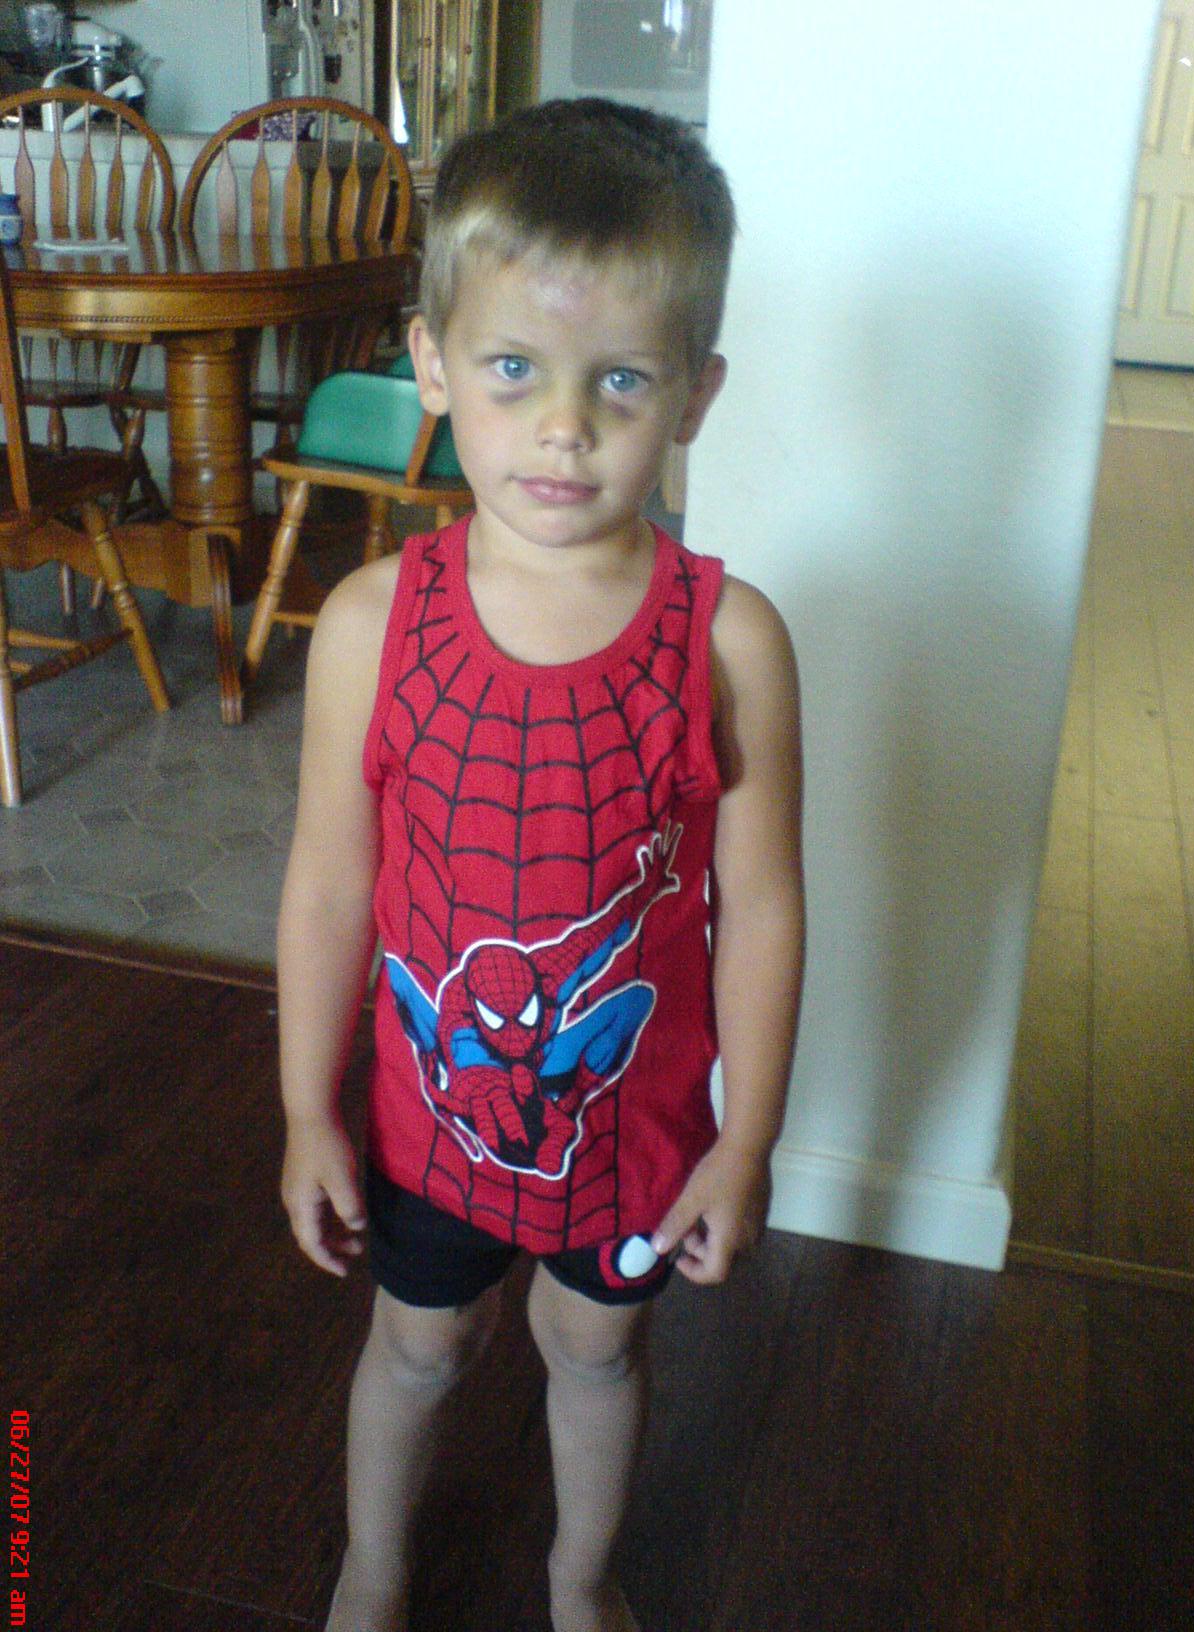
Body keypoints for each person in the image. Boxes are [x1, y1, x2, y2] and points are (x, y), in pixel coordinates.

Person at [276, 97, 805, 1632]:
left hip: (632, 1129)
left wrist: (748, 1138)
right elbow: (329, 887)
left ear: (695, 395)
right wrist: (305, 1108)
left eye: (619, 379)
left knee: (596, 1353)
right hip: (426, 1118)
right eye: (513, 368)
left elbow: (764, 906)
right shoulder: (370, 623)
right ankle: (375, 1571)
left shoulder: (732, 639)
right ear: (433, 364)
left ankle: (581, 1581)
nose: (563, 425)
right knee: (418, 1349)